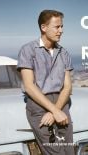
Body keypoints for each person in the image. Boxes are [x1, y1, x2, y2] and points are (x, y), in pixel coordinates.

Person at [17, 10, 74, 155]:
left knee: (68, 151)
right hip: (38, 104)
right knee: (55, 152)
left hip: (62, 103)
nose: (61, 31)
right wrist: (54, 111)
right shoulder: (28, 50)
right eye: (57, 27)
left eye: (62, 26)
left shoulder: (64, 53)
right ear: (44, 27)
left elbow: (67, 87)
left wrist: (57, 110)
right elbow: (29, 87)